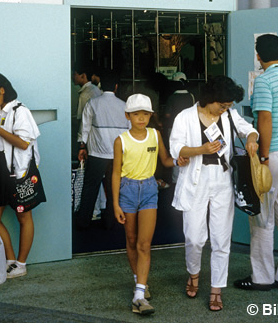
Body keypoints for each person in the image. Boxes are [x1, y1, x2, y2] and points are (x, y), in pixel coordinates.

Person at [170, 75, 258, 311]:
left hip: (222, 180)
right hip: (195, 180)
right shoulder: (185, 117)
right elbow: (176, 148)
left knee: (221, 238)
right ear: (210, 99)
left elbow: (250, 130)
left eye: (228, 105)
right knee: (194, 237)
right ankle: (194, 273)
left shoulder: (229, 114)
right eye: (222, 105)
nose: (225, 109)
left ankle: (216, 288)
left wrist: (252, 140)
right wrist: (202, 149)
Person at [235, 33, 278, 292]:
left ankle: (262, 277)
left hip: (272, 156)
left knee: (262, 218)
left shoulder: (263, 82)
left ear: (258, 56)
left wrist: (263, 157)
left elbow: (264, 120)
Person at [112, 94, 187, 315]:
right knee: (132, 239)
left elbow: (164, 160)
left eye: (146, 114)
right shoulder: (121, 140)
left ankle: (139, 295)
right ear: (128, 116)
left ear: (151, 115)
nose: (141, 118)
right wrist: (115, 204)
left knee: (144, 244)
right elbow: (116, 173)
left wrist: (177, 161)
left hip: (149, 191)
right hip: (127, 190)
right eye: (137, 114)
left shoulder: (155, 135)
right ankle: (139, 281)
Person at [0, 72, 41, 279]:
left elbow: (24, 143)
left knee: (24, 216)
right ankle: (10, 259)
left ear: (2, 90)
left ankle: (21, 263)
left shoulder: (20, 111)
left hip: (20, 172)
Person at [77, 70, 130, 229]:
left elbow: (84, 128)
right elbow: (130, 131)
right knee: (114, 189)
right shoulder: (124, 106)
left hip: (96, 153)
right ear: (116, 86)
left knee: (90, 189)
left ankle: (82, 223)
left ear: (100, 85)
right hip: (117, 155)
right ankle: (112, 222)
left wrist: (82, 146)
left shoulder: (93, 103)